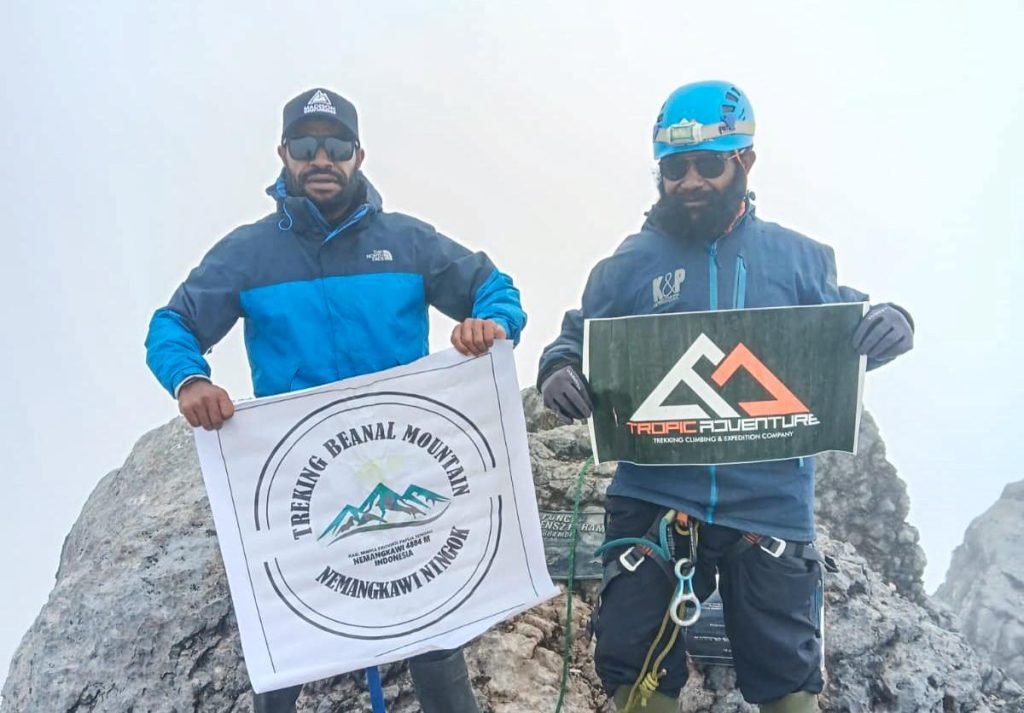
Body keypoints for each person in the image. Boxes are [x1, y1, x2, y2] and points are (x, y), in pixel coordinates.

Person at [537, 81, 913, 713]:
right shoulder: (626, 265)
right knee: (634, 664)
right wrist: (558, 369)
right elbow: (576, 336)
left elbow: (848, 322)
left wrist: (894, 318)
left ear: (745, 163)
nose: (689, 181)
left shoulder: (798, 259)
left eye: (708, 164)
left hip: (768, 505)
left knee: (788, 677)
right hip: (653, 495)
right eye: (673, 167)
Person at [145, 87, 524, 713]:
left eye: (336, 144)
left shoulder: (408, 242)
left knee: (434, 632)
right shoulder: (248, 253)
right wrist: (191, 381)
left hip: (406, 468)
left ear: (358, 153)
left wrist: (489, 324)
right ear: (283, 154)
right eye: (305, 144)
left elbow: (495, 289)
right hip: (301, 481)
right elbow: (173, 325)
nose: (321, 157)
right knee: (285, 641)